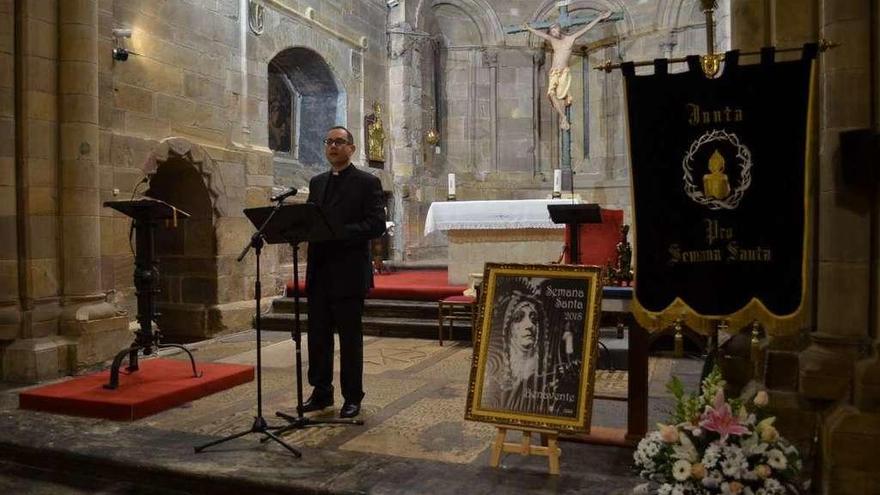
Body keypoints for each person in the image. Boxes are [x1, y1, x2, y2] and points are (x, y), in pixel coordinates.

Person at [300, 126, 386, 419]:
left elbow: (376, 225)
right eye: (329, 142)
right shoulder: (317, 182)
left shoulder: (367, 182)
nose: (333, 147)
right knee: (318, 337)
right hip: (320, 272)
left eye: (339, 142)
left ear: (351, 147)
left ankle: (352, 396)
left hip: (349, 272)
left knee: (350, 339)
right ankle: (321, 392)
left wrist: (340, 232)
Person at [523, 11, 612, 130]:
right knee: (550, 94)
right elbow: (541, 35)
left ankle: (564, 116)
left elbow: (586, 28)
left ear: (559, 29)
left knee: (561, 96)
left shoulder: (570, 39)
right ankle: (563, 117)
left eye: (555, 31)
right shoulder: (553, 40)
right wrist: (529, 28)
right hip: (553, 72)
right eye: (552, 32)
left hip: (564, 72)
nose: (554, 34)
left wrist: (600, 17)